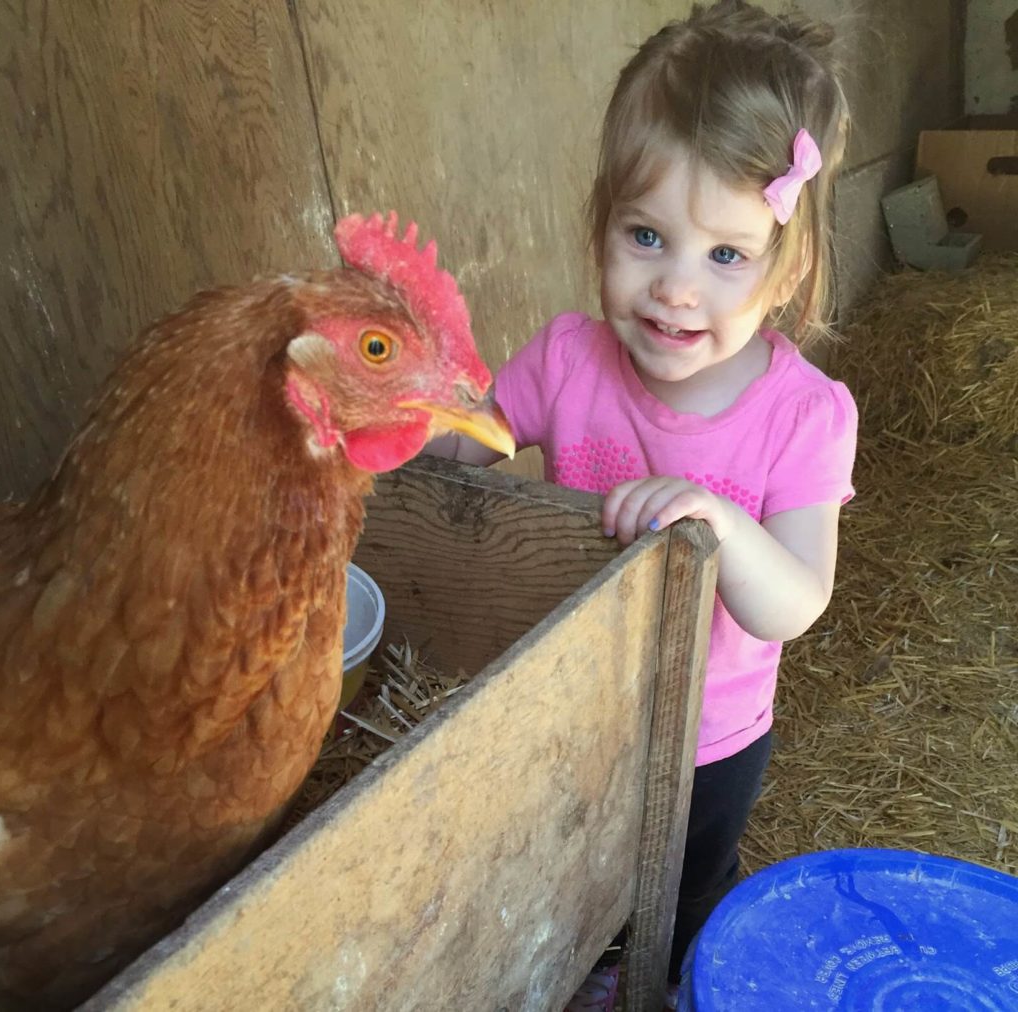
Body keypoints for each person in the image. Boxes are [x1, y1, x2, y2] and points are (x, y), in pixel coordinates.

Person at [428, 0, 856, 1007]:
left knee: (682, 890)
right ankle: (585, 961)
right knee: (572, 867)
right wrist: (412, 419)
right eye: (646, 235)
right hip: (569, 701)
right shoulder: (568, 358)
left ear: (786, 265)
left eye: (724, 255)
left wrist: (720, 522)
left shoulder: (803, 417)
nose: (673, 288)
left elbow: (793, 601)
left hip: (710, 736)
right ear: (600, 221)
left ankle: (661, 977)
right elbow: (468, 443)